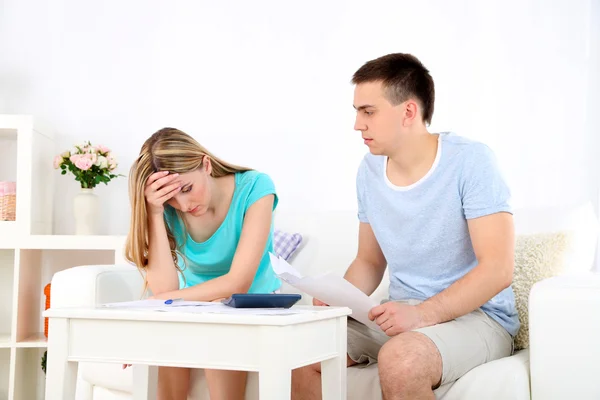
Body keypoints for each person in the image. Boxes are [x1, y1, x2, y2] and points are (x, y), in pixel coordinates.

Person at [292, 53, 519, 400]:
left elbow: (498, 269)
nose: (357, 124)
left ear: (408, 112)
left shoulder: (471, 161)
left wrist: (421, 315)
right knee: (304, 346)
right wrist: (337, 299)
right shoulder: (369, 171)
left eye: (368, 111)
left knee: (402, 358)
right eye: (356, 111)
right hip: (401, 314)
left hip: (479, 318)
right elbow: (369, 262)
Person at [124, 127, 281, 400]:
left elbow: (237, 283)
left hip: (251, 302)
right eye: (170, 198)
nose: (183, 205)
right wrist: (154, 211)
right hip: (190, 304)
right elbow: (164, 289)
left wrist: (164, 302)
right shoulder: (167, 208)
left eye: (187, 189)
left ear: (205, 164)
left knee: (217, 334)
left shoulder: (256, 187)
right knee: (168, 339)